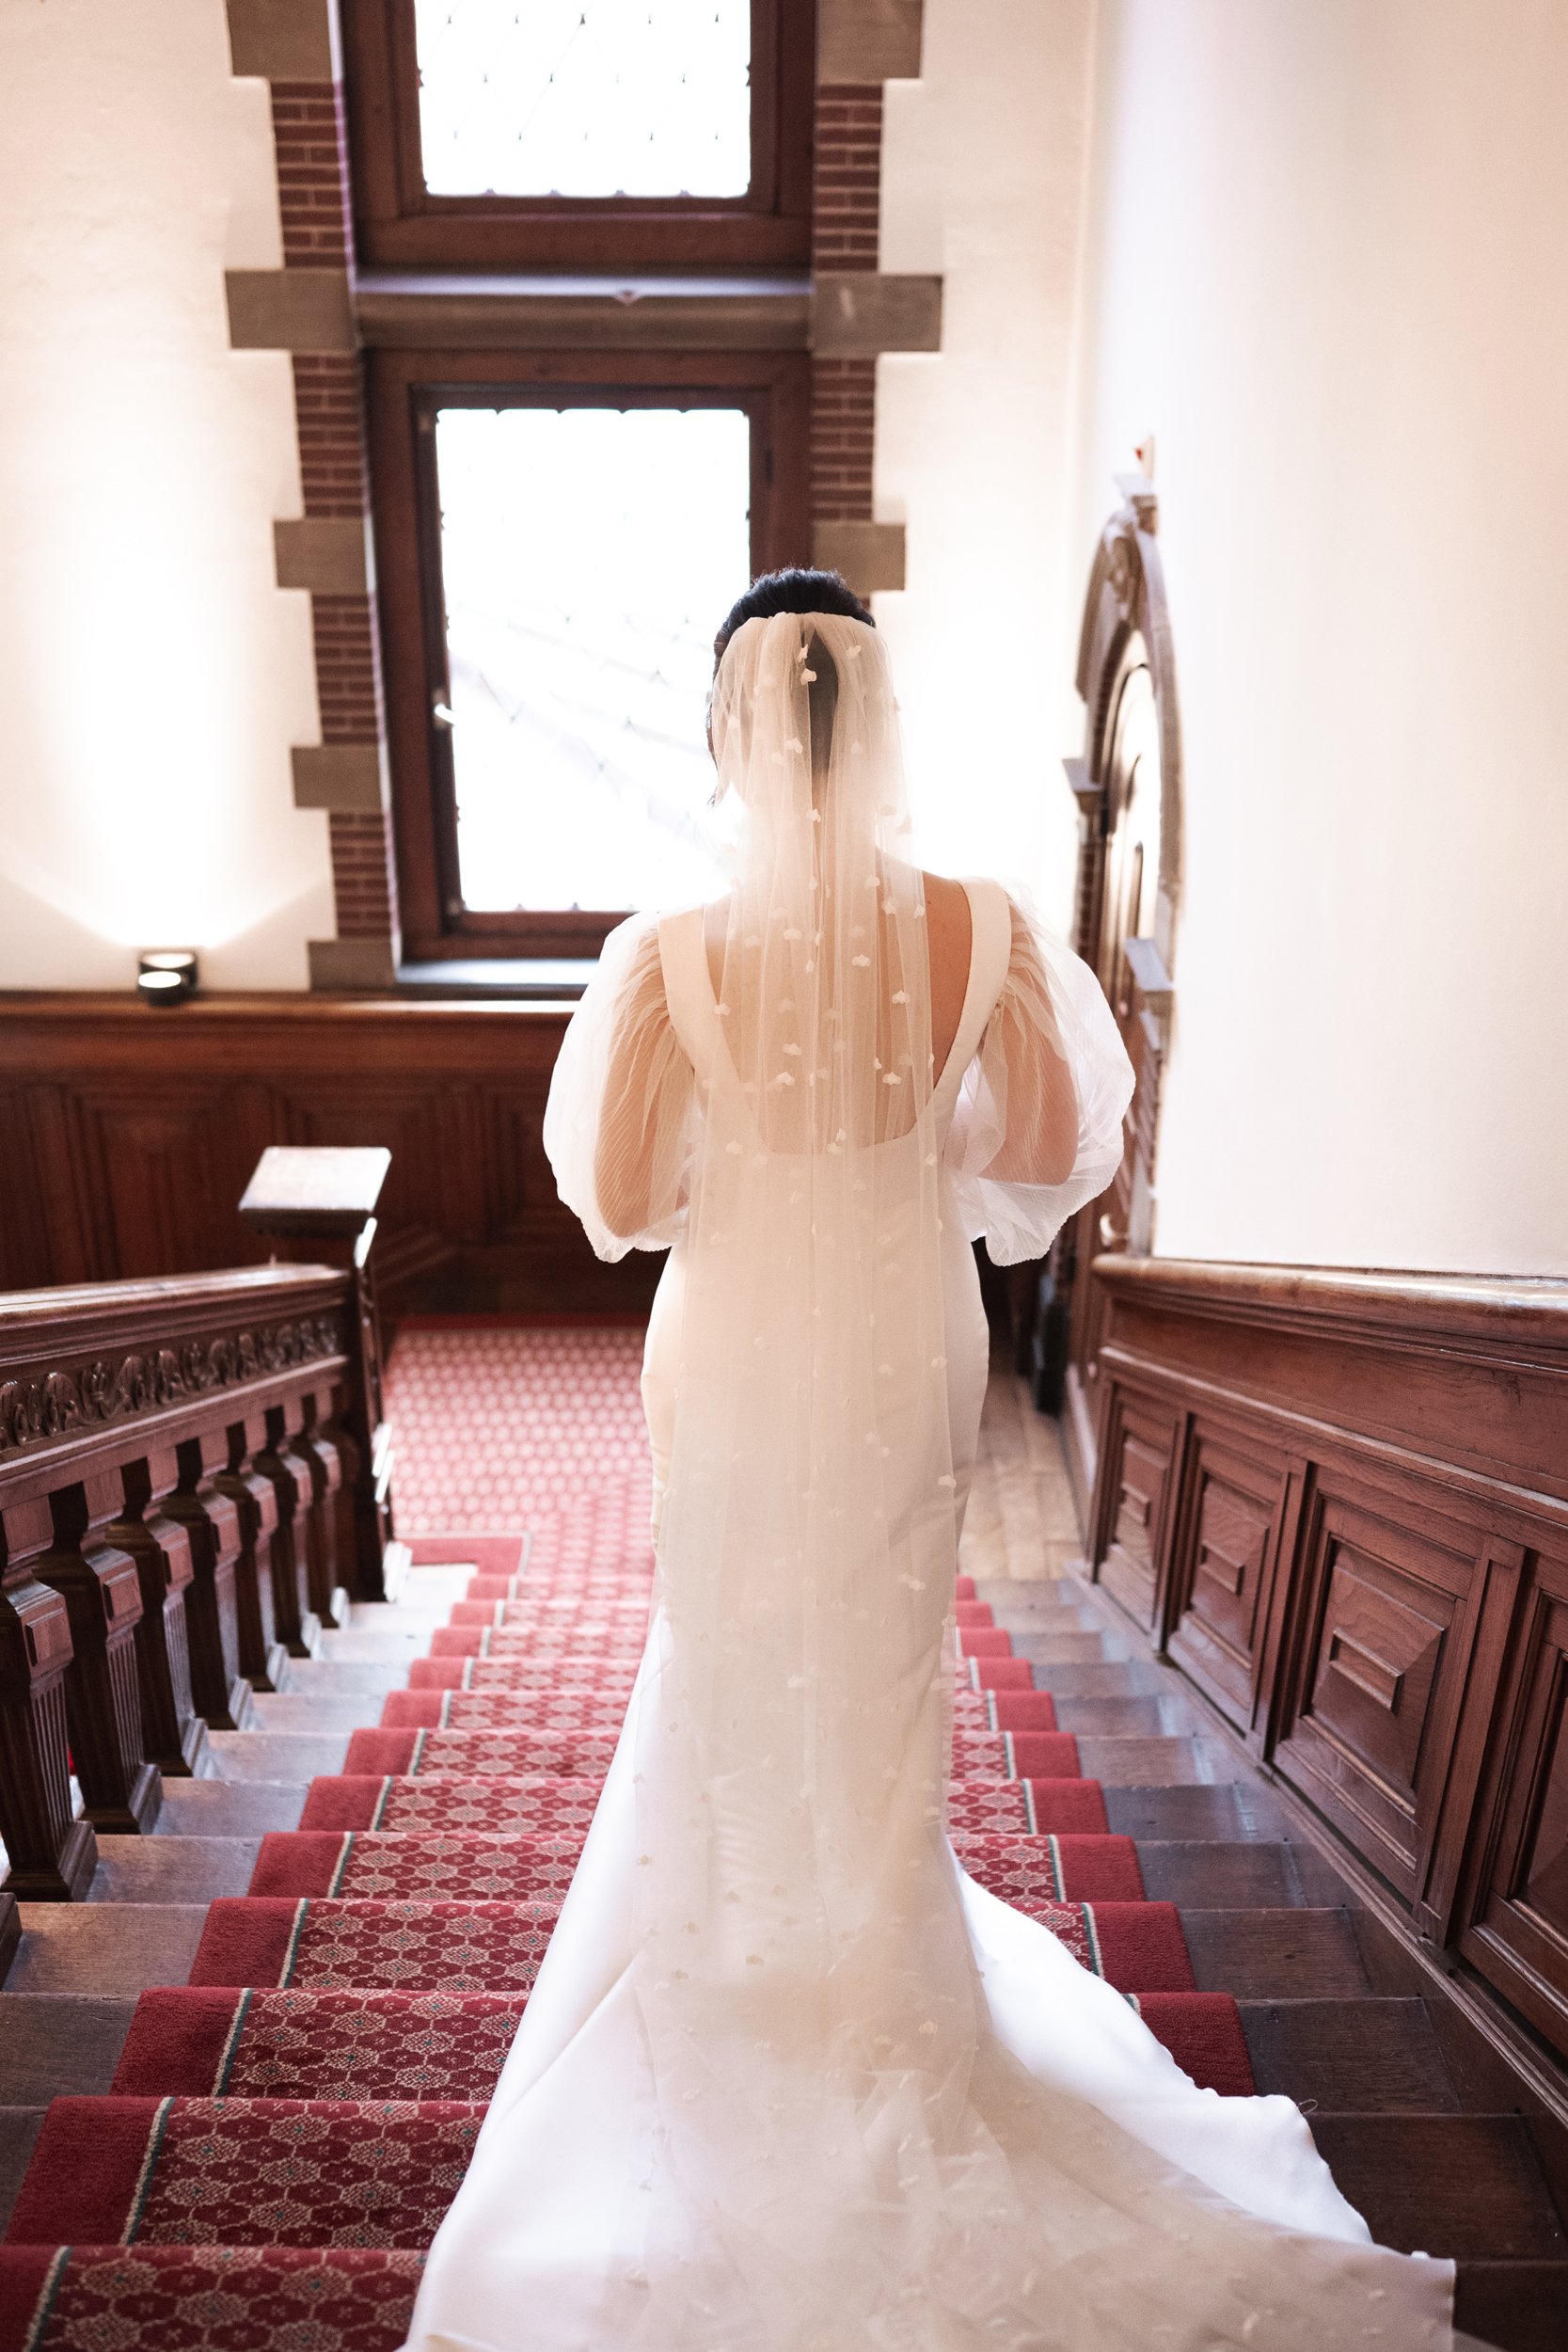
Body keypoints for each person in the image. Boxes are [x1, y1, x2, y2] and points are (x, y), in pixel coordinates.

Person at [402, 571, 1453, 2351]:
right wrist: (904, 1152)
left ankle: (741, 1980)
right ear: (878, 719)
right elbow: (1047, 1146)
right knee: (883, 1651)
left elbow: (628, 1200)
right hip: (902, 1331)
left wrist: (770, 1148)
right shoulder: (984, 921)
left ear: (732, 728)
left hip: (739, 1333)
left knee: (733, 1644)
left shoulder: (667, 956)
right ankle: (880, 1986)